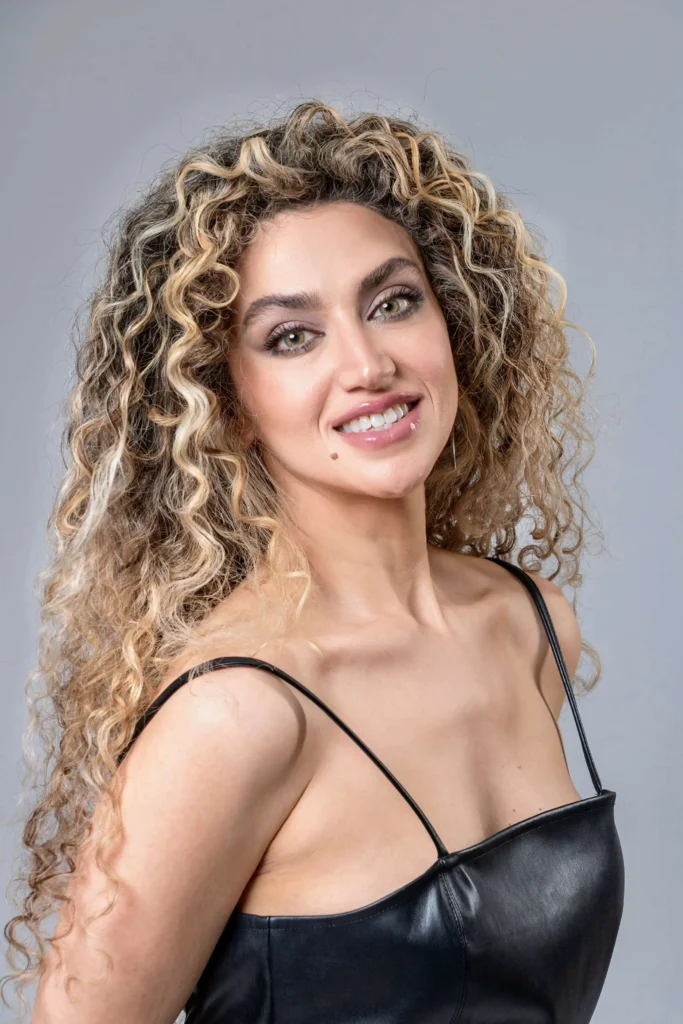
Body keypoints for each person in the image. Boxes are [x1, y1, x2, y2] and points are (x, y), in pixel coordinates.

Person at [3, 100, 624, 1024]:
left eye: (393, 302)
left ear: (454, 325)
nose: (367, 363)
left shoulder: (530, 623)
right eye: (292, 336)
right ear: (228, 402)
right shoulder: (237, 714)